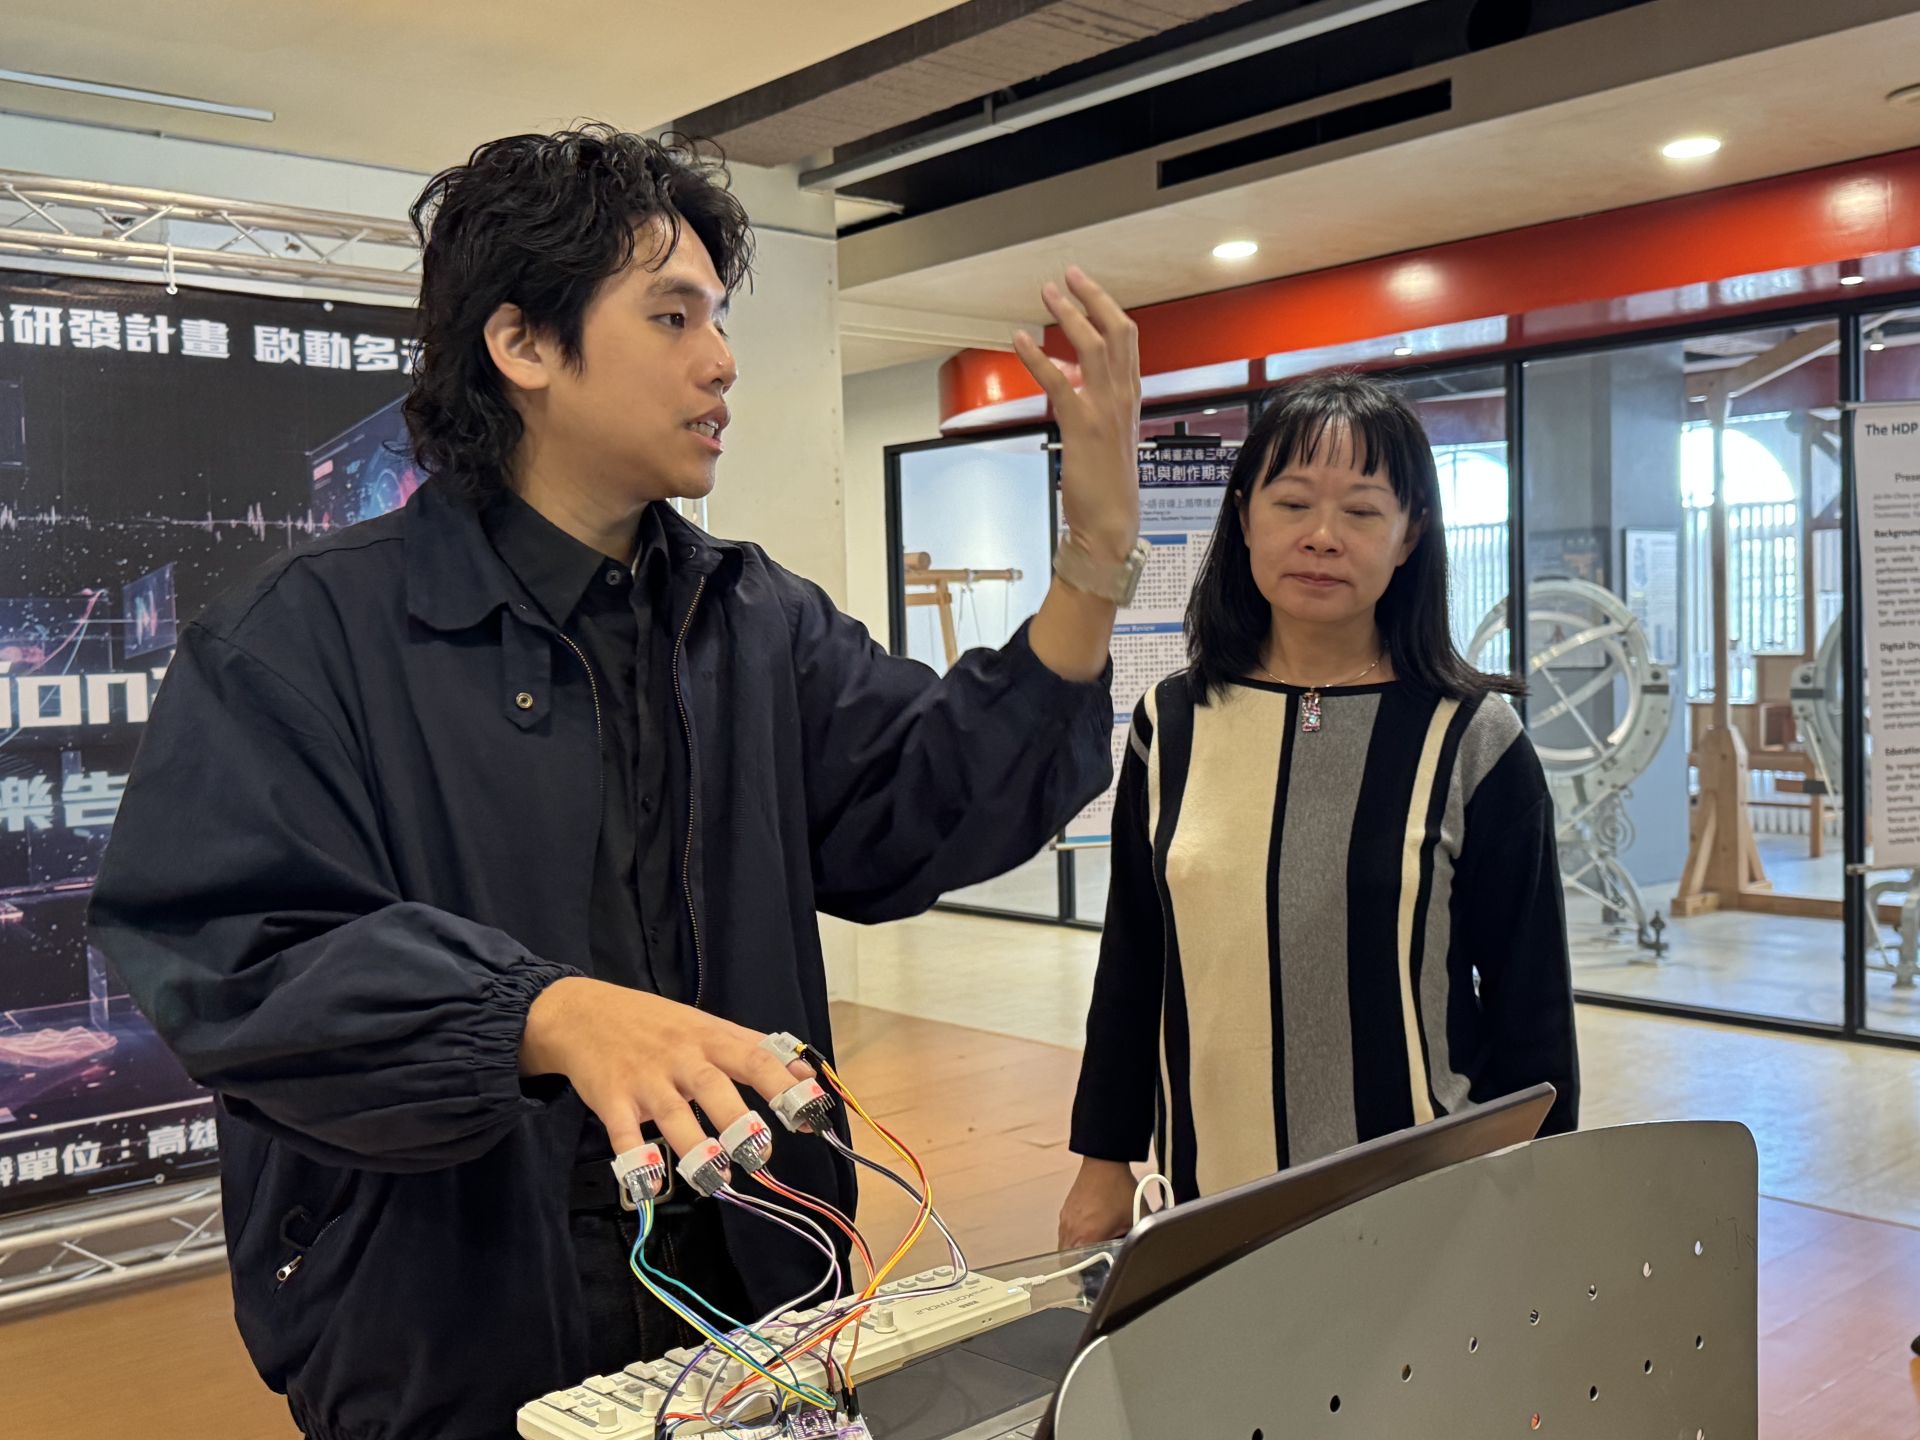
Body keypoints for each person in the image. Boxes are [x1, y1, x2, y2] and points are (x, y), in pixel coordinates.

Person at [89, 126, 1145, 1440]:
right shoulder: (304, 638)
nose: (723, 359)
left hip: (759, 1308)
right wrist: (543, 1014)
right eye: (672, 315)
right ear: (524, 344)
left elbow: (930, 802)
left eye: (719, 317)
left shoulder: (756, 621)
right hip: (449, 1329)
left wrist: (1094, 554)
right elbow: (233, 954)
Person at [1058, 372, 1578, 1247]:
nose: (1322, 537)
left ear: (1411, 534)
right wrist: (1103, 1159)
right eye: (1293, 503)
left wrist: (1545, 1193)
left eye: (1363, 511)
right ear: (1244, 518)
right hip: (1209, 1196)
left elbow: (1531, 1005)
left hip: (1425, 1205)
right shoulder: (1170, 723)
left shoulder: (1474, 738)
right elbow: (1135, 960)